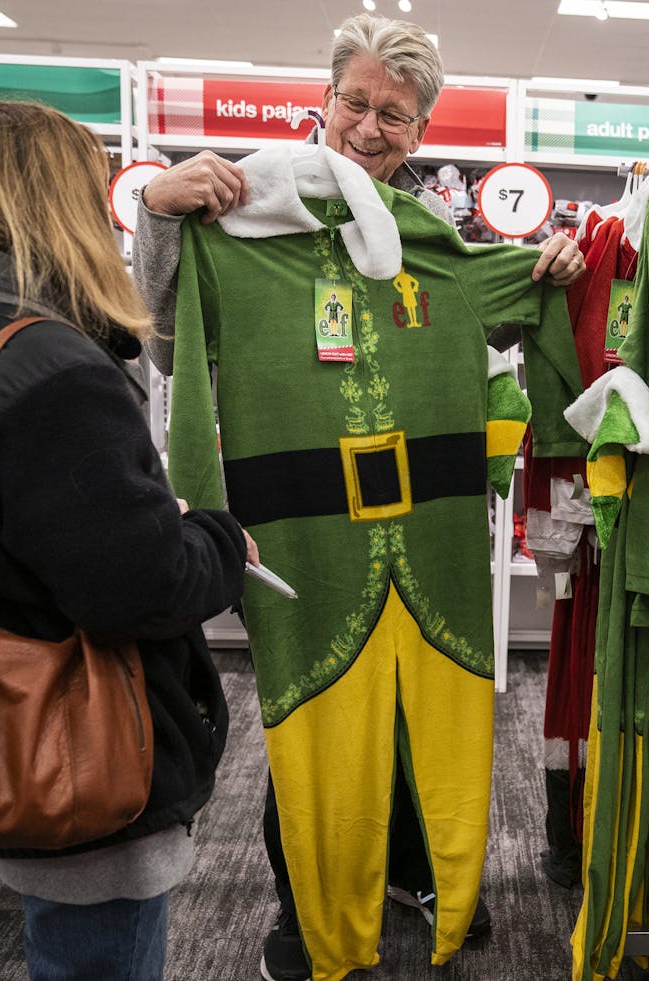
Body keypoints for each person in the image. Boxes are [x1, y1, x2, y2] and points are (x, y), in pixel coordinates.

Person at [132, 14, 587, 981]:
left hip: (429, 526)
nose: (371, 127)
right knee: (311, 707)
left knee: (424, 713)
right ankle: (307, 909)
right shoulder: (245, 212)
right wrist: (160, 220)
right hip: (300, 522)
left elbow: (526, 304)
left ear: (421, 133)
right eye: (358, 103)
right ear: (324, 100)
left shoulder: (438, 242)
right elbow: (168, 341)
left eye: (397, 113)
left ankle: (427, 878)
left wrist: (559, 274)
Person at [0, 100, 256, 981]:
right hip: (81, 745)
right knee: (100, 955)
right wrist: (217, 540)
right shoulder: (51, 370)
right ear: (53, 199)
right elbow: (136, 585)